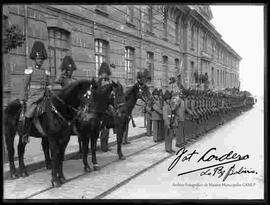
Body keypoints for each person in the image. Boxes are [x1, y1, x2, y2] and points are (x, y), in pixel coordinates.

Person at [20, 41, 52, 143]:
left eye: (42, 59)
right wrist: (22, 98)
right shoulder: (30, 71)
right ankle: (25, 134)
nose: (40, 61)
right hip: (33, 97)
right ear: (35, 59)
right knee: (29, 113)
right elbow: (24, 86)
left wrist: (50, 88)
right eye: (38, 59)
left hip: (44, 96)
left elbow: (48, 84)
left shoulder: (45, 72)